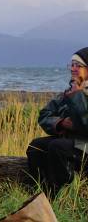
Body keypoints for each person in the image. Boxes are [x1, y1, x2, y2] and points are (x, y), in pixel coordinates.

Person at [26, 48, 88, 197]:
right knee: (35, 146)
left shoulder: (76, 92)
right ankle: (39, 191)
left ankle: (60, 192)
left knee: (57, 146)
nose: (73, 68)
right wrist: (60, 123)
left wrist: (77, 96)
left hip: (84, 145)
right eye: (71, 64)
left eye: (78, 65)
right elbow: (44, 115)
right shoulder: (70, 91)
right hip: (72, 142)